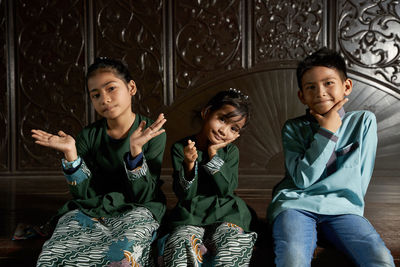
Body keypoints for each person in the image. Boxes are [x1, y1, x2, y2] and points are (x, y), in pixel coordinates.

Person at [31, 57, 167, 266]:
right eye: (96, 95)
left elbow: (143, 195)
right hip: (92, 207)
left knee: (124, 255)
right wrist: (71, 154)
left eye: (111, 88)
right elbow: (83, 194)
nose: (105, 99)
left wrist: (136, 150)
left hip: (137, 208)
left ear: (131, 87)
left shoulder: (152, 132)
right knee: (53, 254)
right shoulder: (87, 136)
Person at [267, 48, 395, 267]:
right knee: (293, 258)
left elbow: (360, 177)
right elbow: (301, 180)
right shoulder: (293, 128)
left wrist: (348, 210)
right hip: (295, 204)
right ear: (302, 96)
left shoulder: (363, 121)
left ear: (347, 87)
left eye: (328, 83)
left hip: (342, 209)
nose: (320, 92)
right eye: (310, 87)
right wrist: (327, 132)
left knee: (380, 257)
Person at [160, 89, 257, 267]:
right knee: (180, 243)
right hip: (191, 211)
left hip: (226, 210)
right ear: (206, 113)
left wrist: (214, 154)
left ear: (237, 134)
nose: (223, 130)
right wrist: (189, 163)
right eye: (222, 119)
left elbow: (226, 190)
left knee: (233, 243)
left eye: (233, 128)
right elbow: (185, 195)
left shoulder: (231, 152)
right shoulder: (181, 147)